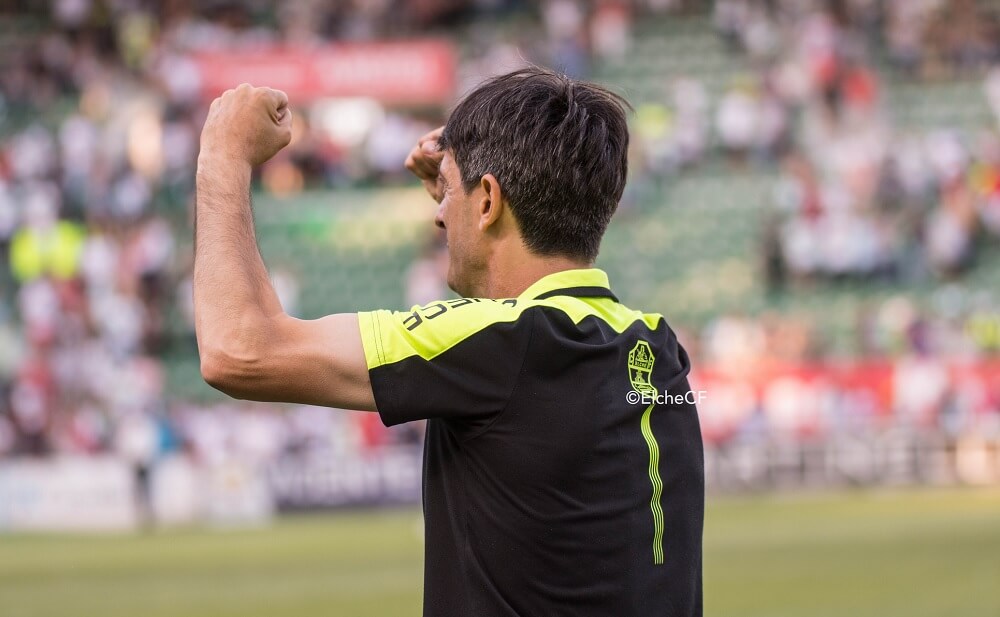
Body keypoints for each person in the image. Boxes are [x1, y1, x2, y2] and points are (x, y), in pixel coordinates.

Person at [194, 68, 704, 617]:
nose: (438, 216)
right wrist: (462, 180)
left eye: (450, 196)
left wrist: (222, 156)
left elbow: (238, 349)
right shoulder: (656, 348)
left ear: (487, 201)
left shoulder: (503, 343)